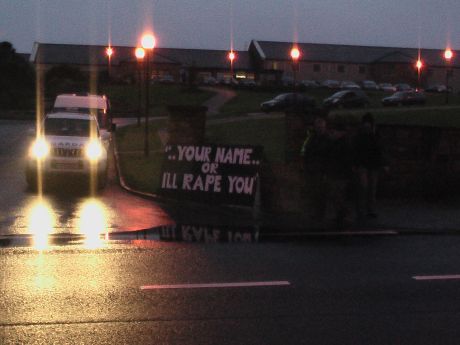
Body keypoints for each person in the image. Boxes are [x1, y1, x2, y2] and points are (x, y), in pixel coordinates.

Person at [352, 113, 388, 220]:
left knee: (371, 189)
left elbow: (380, 149)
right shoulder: (360, 136)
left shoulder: (375, 135)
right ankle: (362, 210)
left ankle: (369, 209)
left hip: (373, 165)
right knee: (363, 187)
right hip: (363, 164)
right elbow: (356, 150)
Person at [301, 116, 331, 223]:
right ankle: (316, 213)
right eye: (318, 127)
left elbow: (328, 155)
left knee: (320, 192)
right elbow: (305, 152)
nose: (319, 129)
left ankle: (320, 213)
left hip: (321, 170)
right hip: (313, 169)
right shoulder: (312, 138)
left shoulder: (326, 139)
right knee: (314, 192)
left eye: (321, 127)